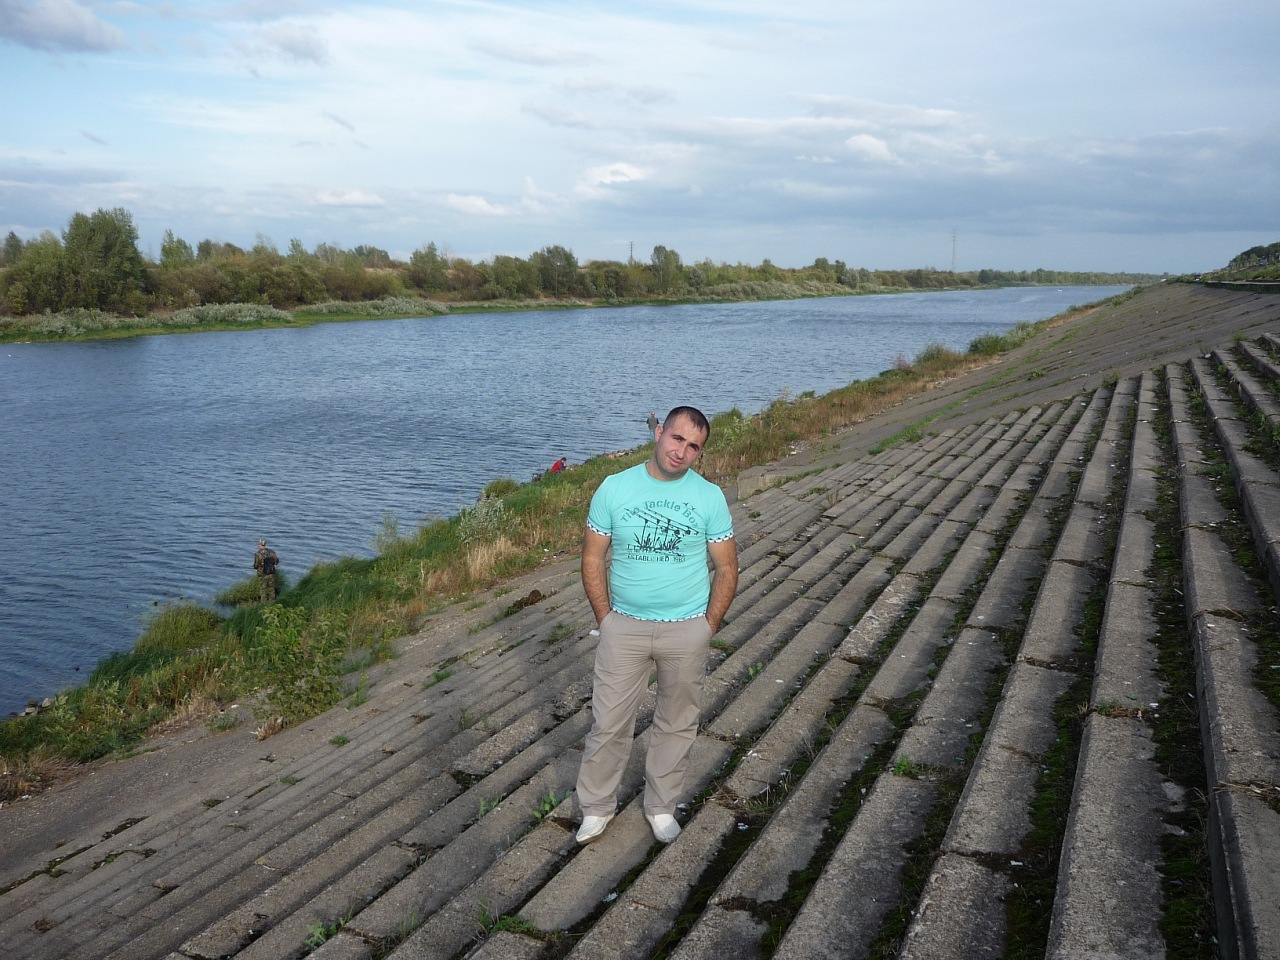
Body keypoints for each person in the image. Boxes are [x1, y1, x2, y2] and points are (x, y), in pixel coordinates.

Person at [575, 405, 738, 845]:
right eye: (677, 439)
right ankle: (596, 807)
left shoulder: (709, 497)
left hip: (686, 628)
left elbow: (727, 568)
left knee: (677, 722)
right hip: (624, 627)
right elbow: (592, 558)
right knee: (608, 722)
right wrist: (606, 619)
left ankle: (661, 806)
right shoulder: (614, 488)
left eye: (694, 447)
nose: (682, 452)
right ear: (660, 432)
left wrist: (708, 625)